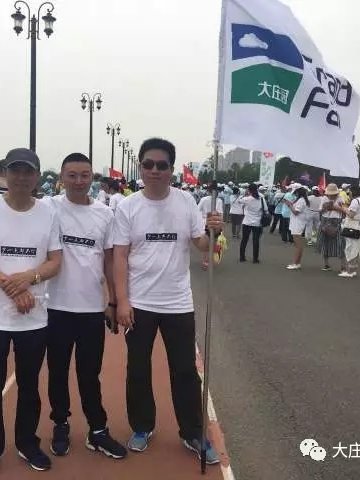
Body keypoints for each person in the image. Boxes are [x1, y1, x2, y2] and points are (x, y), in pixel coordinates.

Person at [0, 152, 127, 462]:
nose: (78, 181)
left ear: (92, 178)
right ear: (60, 178)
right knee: (54, 374)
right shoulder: (50, 207)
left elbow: (107, 260)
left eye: (84, 175)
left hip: (89, 308)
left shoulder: (102, 214)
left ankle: (96, 430)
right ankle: (58, 425)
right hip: (53, 308)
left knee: (88, 374)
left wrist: (113, 300)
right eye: (72, 175)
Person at [113, 137, 223, 465]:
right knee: (138, 368)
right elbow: (120, 256)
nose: (155, 170)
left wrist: (214, 232)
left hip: (177, 303)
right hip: (140, 303)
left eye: (162, 165)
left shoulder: (186, 202)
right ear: (140, 167)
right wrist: (122, 301)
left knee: (185, 371)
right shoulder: (128, 207)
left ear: (171, 170)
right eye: (148, 164)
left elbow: (201, 245)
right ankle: (142, 426)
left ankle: (192, 432)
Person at [0, 148, 63, 480]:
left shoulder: (48, 213)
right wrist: (13, 286)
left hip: (33, 318)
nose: (21, 177)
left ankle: (27, 443)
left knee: (29, 386)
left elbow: (54, 261)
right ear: (5, 173)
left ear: (37, 176)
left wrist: (30, 279)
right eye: (15, 171)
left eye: (28, 172)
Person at [340, 185, 360, 278]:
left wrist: (344, 208)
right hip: (356, 225)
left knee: (350, 248)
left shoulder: (355, 201)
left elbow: (351, 214)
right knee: (355, 248)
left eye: (350, 192)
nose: (349, 194)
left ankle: (349, 271)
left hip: (351, 224)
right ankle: (353, 269)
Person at [285, 186, 309, 270]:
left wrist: (289, 205)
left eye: (295, 192)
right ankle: (297, 263)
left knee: (298, 245)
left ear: (298, 192)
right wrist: (290, 204)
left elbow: (296, 212)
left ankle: (296, 263)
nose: (295, 194)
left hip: (298, 223)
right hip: (296, 223)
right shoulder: (301, 200)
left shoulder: (301, 200)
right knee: (298, 245)